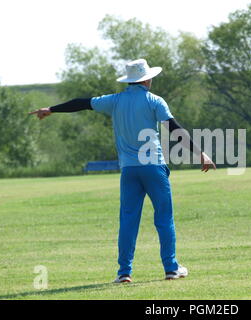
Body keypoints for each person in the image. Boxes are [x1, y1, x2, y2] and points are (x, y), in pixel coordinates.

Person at [29, 58, 216, 283]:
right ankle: (171, 268)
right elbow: (175, 130)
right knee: (164, 219)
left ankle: (124, 273)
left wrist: (51, 109)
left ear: (130, 80)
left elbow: (82, 102)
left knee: (128, 221)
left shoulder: (114, 101)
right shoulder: (155, 101)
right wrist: (200, 154)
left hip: (129, 170)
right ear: (147, 79)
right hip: (153, 168)